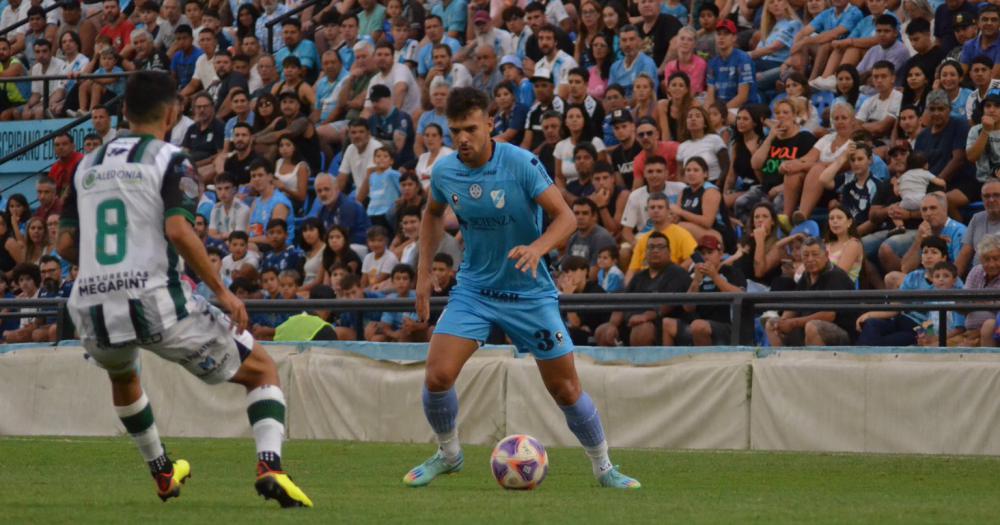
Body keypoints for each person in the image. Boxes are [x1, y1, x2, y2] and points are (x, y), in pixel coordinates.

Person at [55, 71, 312, 507]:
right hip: (155, 300)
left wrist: (107, 269)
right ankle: (270, 464)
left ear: (122, 112)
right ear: (173, 112)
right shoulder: (172, 159)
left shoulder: (87, 164)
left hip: (91, 305)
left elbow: (64, 245)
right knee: (263, 370)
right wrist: (224, 293)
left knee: (122, 372)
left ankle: (162, 472)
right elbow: (178, 229)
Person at [404, 87, 640, 489]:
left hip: (529, 293)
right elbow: (431, 215)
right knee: (437, 376)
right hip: (475, 290)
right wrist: (423, 275)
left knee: (565, 388)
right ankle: (449, 455)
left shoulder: (521, 164)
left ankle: (604, 468)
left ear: (490, 125)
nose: (462, 138)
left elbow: (565, 218)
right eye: (455, 130)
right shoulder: (445, 172)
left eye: (471, 129)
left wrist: (537, 248)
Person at [594, 231, 692, 346]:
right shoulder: (639, 276)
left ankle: (642, 364)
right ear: (645, 252)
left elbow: (668, 304)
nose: (655, 250)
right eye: (651, 247)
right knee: (603, 331)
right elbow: (623, 301)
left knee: (642, 330)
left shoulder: (677, 273)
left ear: (669, 251)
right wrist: (612, 324)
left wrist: (645, 317)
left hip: (662, 325)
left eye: (660, 247)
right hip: (632, 322)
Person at [765, 237, 857, 346]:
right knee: (772, 324)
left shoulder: (836, 275)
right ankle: (780, 361)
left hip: (842, 333)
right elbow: (794, 304)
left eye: (815, 254)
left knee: (812, 326)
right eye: (806, 255)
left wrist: (793, 323)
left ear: (826, 255)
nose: (810, 259)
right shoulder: (806, 275)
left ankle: (813, 362)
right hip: (807, 326)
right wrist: (783, 321)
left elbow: (828, 315)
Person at [663, 236, 746, 346]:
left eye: (710, 252)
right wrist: (696, 281)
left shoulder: (731, 272)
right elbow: (688, 307)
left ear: (720, 254)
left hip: (726, 326)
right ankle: (668, 362)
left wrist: (715, 276)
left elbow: (741, 295)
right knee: (667, 324)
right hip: (697, 323)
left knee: (698, 326)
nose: (705, 257)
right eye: (702, 253)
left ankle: (704, 361)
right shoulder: (694, 274)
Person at [957, 179, 1000, 276]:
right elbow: (964, 255)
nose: (991, 200)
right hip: (978, 280)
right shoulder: (977, 218)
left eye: (997, 195)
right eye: (987, 196)